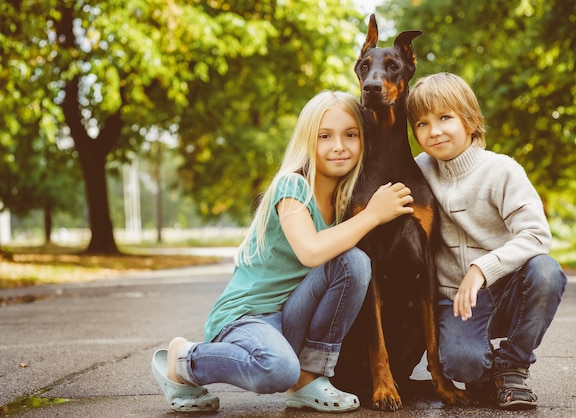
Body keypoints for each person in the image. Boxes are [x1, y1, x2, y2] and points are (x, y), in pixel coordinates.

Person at [151, 90, 415, 413]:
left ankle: (308, 378)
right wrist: (373, 215)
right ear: (308, 140)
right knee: (276, 369)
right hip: (248, 316)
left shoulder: (346, 200)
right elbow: (311, 252)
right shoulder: (292, 187)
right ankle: (183, 358)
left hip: (290, 313)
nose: (339, 146)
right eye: (325, 136)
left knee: (354, 264)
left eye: (351, 135)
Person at [406, 72, 567, 410]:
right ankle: (483, 372)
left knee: (547, 271)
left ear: (470, 119)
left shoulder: (502, 170)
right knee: (461, 363)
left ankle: (511, 367)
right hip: (456, 301)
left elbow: (537, 234)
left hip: (509, 290)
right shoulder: (416, 172)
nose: (434, 131)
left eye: (445, 117)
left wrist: (482, 268)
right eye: (422, 123)